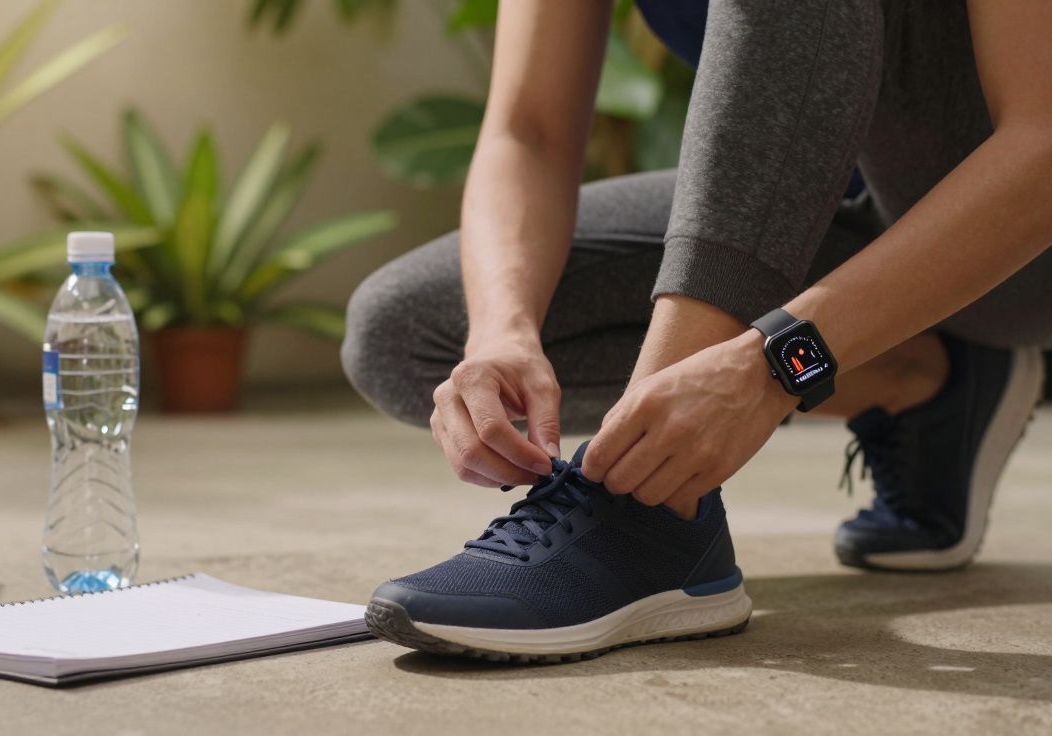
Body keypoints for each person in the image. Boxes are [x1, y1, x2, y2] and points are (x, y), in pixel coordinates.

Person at [342, 0, 1052, 661]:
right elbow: (529, 129)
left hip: (1025, 241)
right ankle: (931, 381)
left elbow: (1043, 140)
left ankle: (646, 508)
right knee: (410, 332)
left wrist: (775, 366)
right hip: (852, 212)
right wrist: (502, 332)